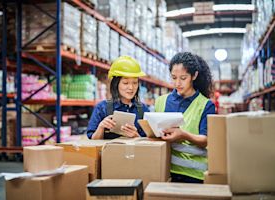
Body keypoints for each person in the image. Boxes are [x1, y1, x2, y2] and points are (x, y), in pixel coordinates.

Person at [155, 52, 215, 183]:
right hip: (164, 170)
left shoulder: (205, 105)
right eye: (174, 77)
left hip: (194, 175)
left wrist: (183, 135)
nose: (177, 83)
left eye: (183, 78)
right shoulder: (160, 101)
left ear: (194, 76)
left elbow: (206, 140)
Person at [87, 55, 149, 139]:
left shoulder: (143, 110)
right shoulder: (102, 108)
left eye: (135, 83)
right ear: (116, 84)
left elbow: (149, 143)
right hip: (108, 152)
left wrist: (136, 136)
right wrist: (101, 127)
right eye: (125, 83)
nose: (131, 87)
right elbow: (92, 140)